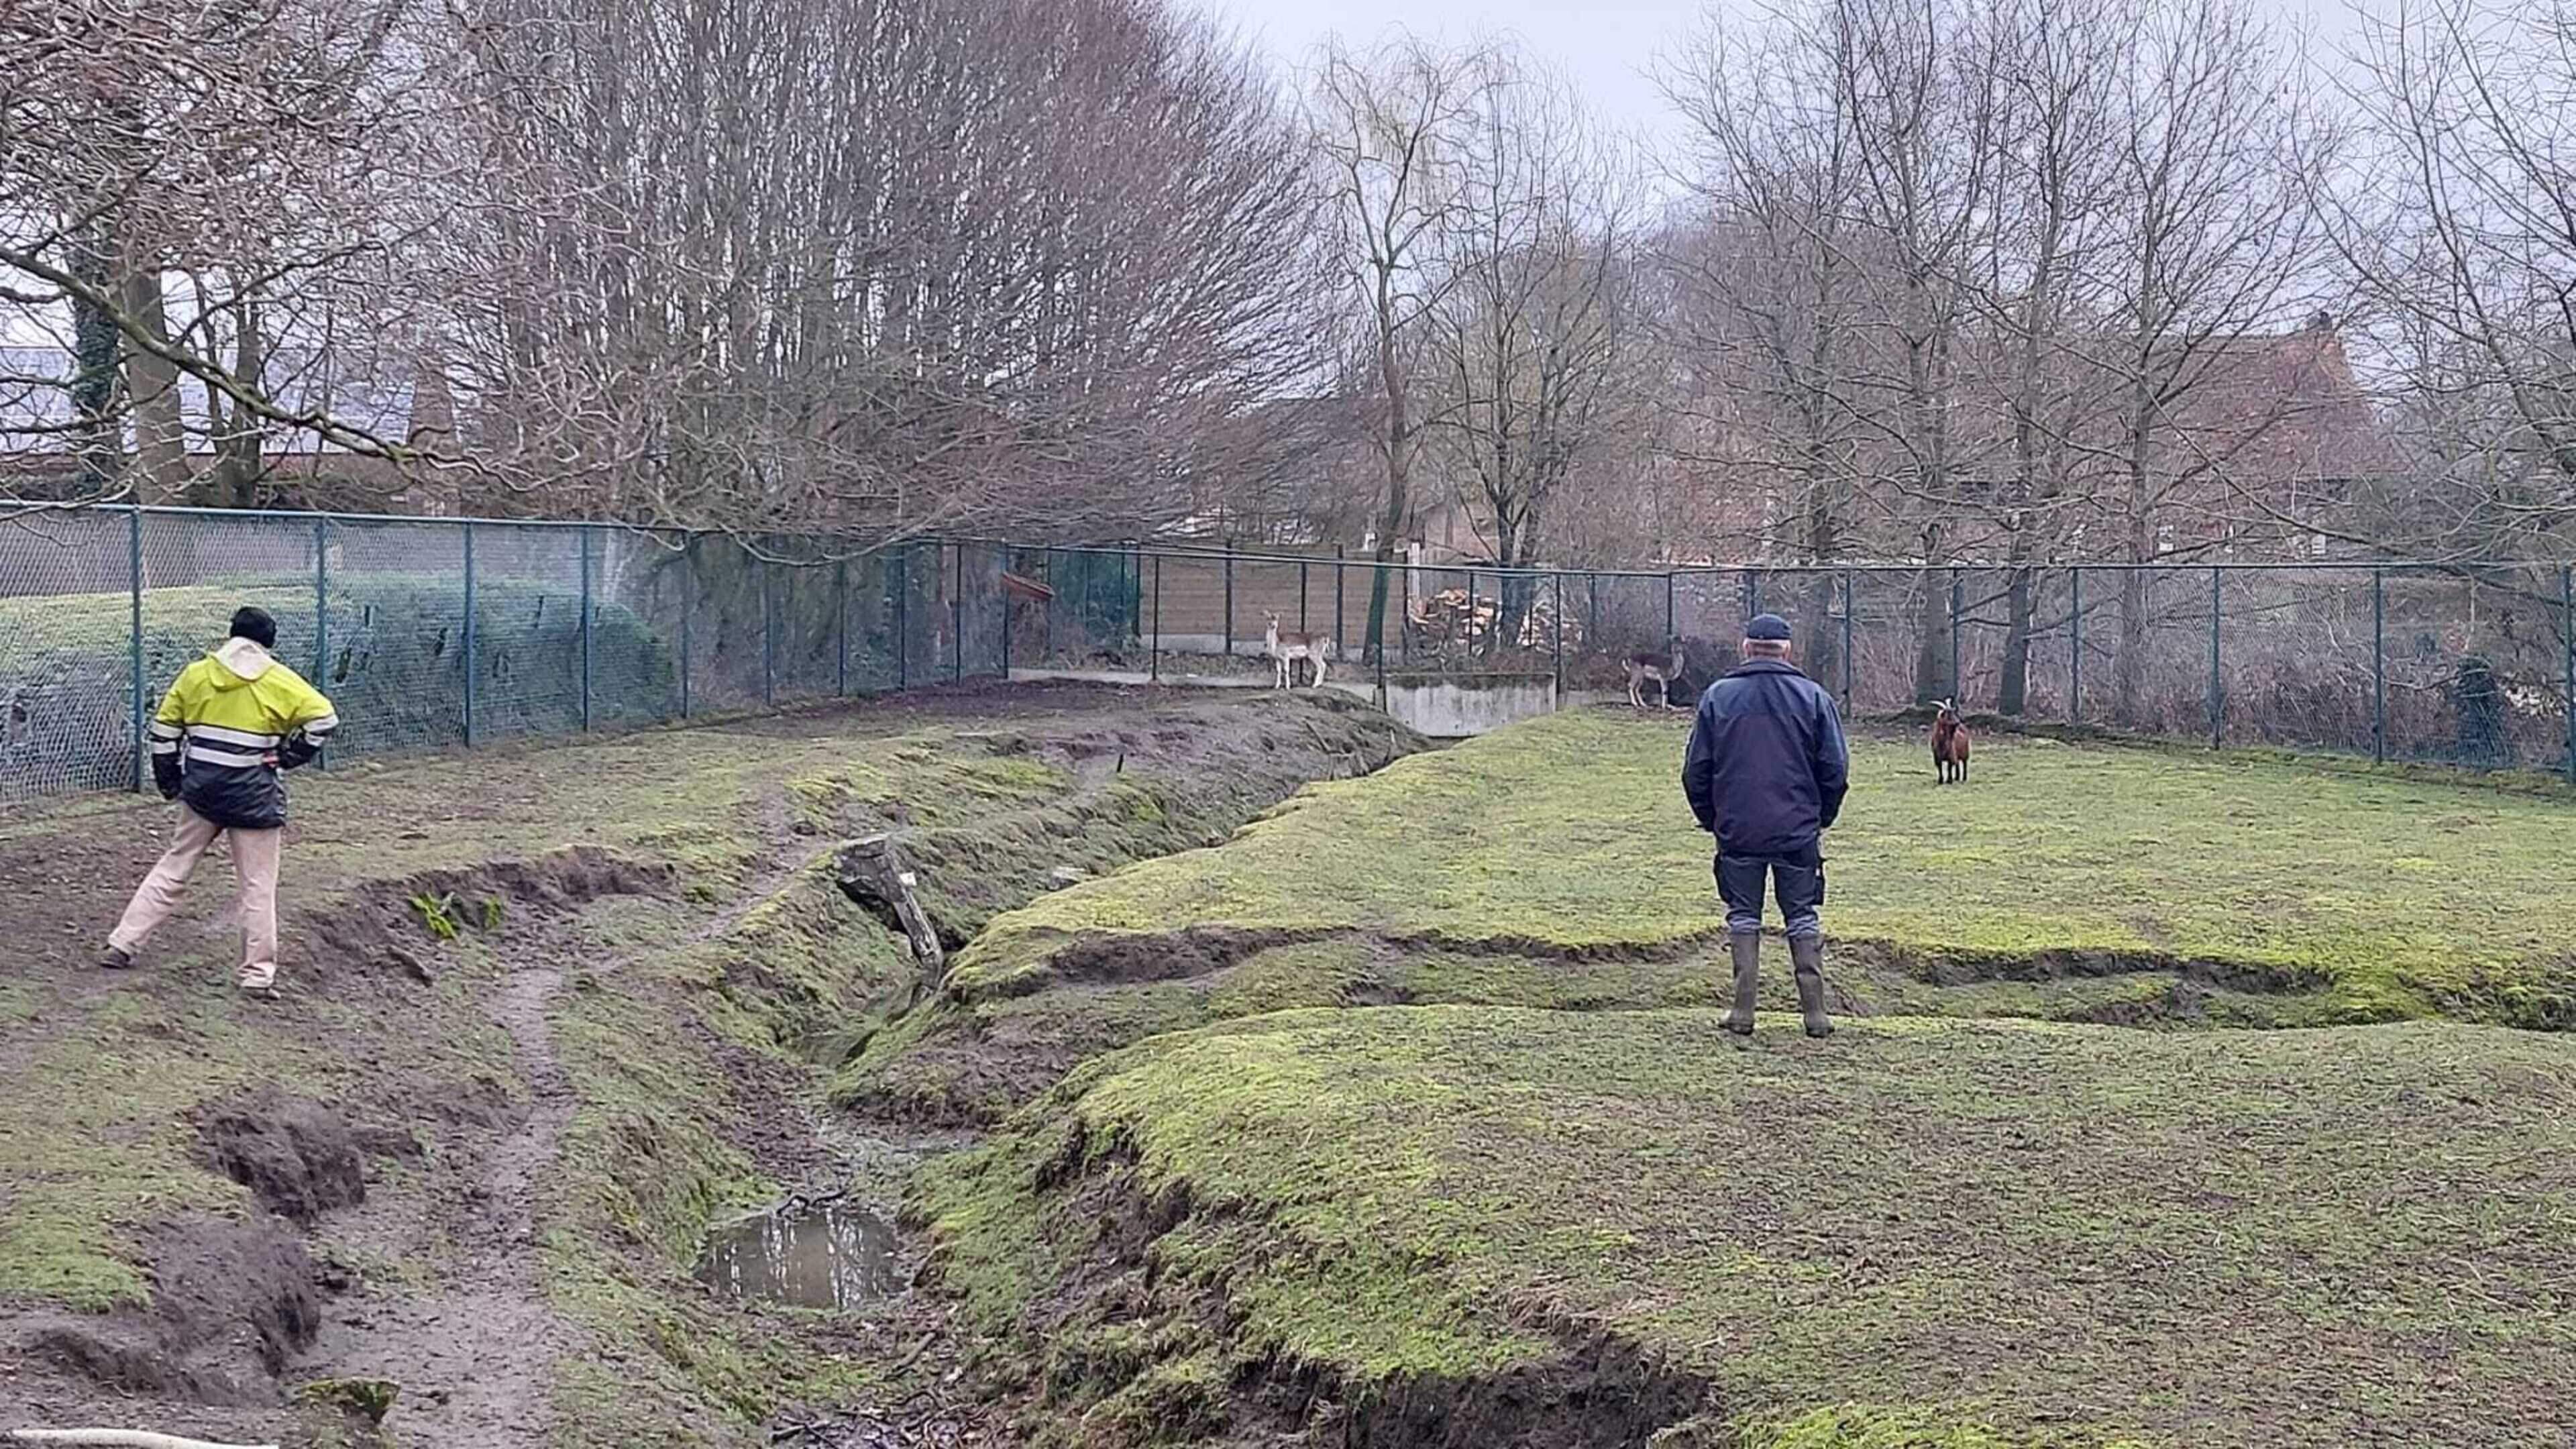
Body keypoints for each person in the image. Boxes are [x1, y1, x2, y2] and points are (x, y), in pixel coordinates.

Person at [102, 606, 339, 993]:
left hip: (202, 790)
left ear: (231, 635)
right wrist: (289, 757)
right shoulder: (280, 680)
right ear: (269, 642)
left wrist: (170, 782)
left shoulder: (196, 674)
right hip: (253, 794)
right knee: (258, 886)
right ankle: (257, 975)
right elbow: (325, 720)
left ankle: (123, 943)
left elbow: (164, 732)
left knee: (174, 866)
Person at [1680, 612, 1849, 1038]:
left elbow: (1696, 770)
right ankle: (1816, 1015)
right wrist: (1821, 818)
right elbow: (1835, 769)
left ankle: (1742, 1013)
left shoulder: (1718, 697)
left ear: (1746, 647)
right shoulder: (1814, 698)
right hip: (1798, 830)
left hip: (1737, 829)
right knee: (1802, 915)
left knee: (1743, 914)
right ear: (1787, 650)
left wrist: (1712, 819)